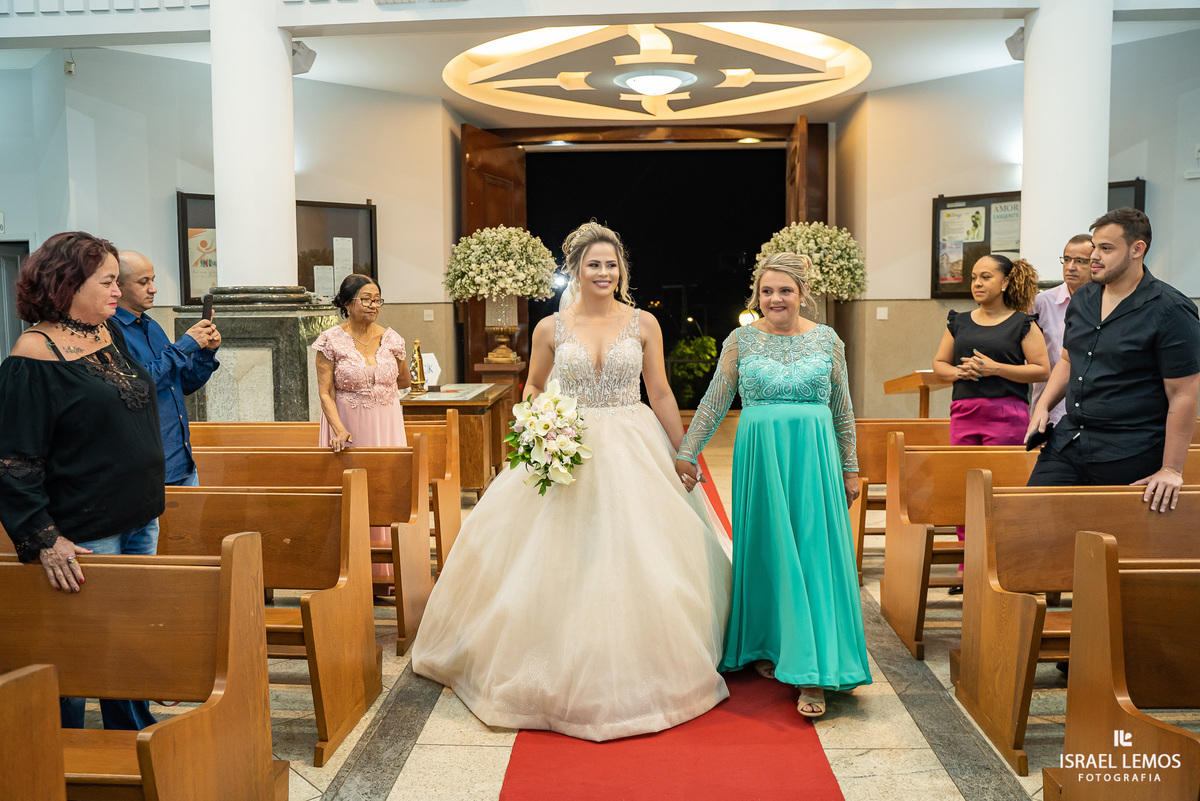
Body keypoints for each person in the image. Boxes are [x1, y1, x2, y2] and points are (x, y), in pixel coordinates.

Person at [411, 222, 732, 741]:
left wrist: (685, 451)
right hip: (569, 443)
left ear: (621, 270)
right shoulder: (549, 328)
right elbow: (533, 385)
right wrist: (541, 423)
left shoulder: (644, 323)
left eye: (611, 264)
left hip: (634, 442)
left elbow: (662, 393)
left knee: (642, 554)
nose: (603, 273)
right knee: (560, 556)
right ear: (576, 270)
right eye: (593, 264)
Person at [676, 252, 871, 720]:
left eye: (784, 290)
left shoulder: (828, 341)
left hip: (814, 461)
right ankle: (767, 640)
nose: (775, 298)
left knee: (812, 554)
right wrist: (687, 450)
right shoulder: (741, 340)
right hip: (761, 461)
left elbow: (842, 408)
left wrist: (850, 467)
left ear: (803, 294)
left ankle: (813, 672)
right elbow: (716, 399)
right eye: (767, 291)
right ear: (756, 296)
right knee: (766, 550)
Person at [0, 231, 164, 731]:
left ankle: (130, 731)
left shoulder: (106, 335)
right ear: (67, 283)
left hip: (137, 519)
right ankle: (56, 752)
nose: (119, 291)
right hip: (85, 532)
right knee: (75, 652)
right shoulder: (33, 357)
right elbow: (13, 462)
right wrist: (44, 540)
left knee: (128, 639)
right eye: (108, 281)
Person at [1027, 208, 1200, 513]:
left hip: (1131, 452)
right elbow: (1068, 359)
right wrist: (1042, 406)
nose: (1094, 256)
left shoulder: (1171, 310)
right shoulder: (1083, 298)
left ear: (1137, 249)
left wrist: (1172, 469)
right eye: (1095, 246)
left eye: (1106, 249)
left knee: (1111, 548)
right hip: (1069, 442)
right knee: (1031, 524)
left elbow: (1183, 393)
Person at [112, 251, 220, 499]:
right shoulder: (111, 331)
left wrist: (205, 353)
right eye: (143, 282)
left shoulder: (151, 325)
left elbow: (183, 384)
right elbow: (135, 385)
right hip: (146, 472)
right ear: (117, 286)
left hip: (181, 463)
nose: (153, 289)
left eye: (153, 279)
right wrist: (183, 346)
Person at [312, 274, 411, 453]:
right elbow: (325, 393)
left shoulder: (392, 339)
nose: (373, 306)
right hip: (348, 423)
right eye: (366, 300)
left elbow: (404, 380)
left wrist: (379, 391)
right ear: (347, 304)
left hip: (387, 422)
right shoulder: (330, 340)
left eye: (377, 300)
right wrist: (340, 429)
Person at [1030, 235, 1092, 424]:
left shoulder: (1105, 303)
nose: (1071, 266)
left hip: (1090, 405)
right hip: (1049, 407)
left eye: (1080, 261)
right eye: (1067, 259)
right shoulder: (1042, 302)